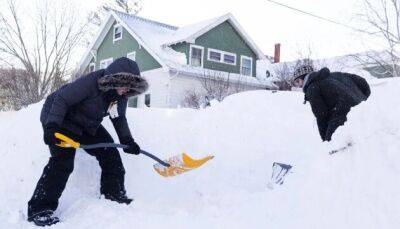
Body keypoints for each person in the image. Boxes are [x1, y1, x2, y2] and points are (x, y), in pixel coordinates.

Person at [27, 57, 148, 227]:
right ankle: (39, 209)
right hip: (61, 118)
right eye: (124, 85)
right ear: (114, 79)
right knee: (63, 162)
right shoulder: (91, 83)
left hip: (86, 123)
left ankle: (113, 194)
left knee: (110, 152)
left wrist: (127, 140)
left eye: (130, 87)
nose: (126, 90)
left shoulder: (120, 96)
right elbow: (62, 99)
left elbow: (118, 117)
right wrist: (51, 126)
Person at [293, 65, 371, 142]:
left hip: (343, 118)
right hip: (364, 112)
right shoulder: (334, 75)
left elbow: (321, 115)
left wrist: (326, 140)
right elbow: (362, 82)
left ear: (305, 77)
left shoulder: (311, 88)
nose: (299, 85)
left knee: (334, 145)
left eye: (298, 81)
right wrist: (362, 98)